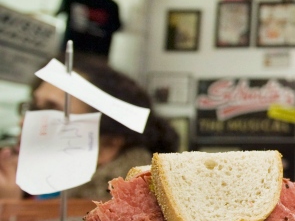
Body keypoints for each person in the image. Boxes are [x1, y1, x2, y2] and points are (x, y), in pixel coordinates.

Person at [0, 54, 180, 201]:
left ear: (107, 145)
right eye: (32, 107)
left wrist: (10, 210)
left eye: (51, 110)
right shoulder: (27, 184)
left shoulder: (120, 220)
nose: (23, 122)